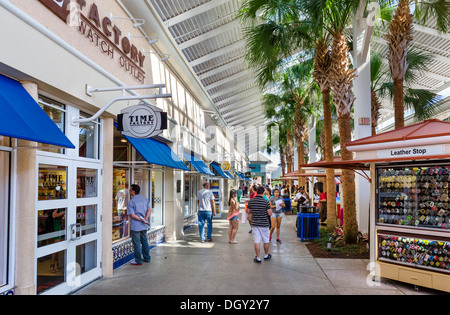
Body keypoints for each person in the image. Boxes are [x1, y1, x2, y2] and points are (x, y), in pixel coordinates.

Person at [127, 184, 152, 265]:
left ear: (133, 191)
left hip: (136, 226)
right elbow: (149, 209)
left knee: (137, 242)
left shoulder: (131, 202)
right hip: (144, 225)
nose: (129, 192)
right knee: (144, 241)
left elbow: (132, 215)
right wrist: (146, 218)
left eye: (130, 190)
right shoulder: (145, 199)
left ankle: (138, 260)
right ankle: (147, 258)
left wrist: (141, 220)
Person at [247, 186, 272, 263]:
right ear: (263, 193)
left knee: (257, 241)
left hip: (255, 223)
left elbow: (248, 211)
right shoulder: (266, 202)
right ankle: (266, 255)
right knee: (266, 240)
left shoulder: (251, 201)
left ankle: (258, 257)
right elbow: (269, 213)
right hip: (264, 223)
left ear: (256, 192)